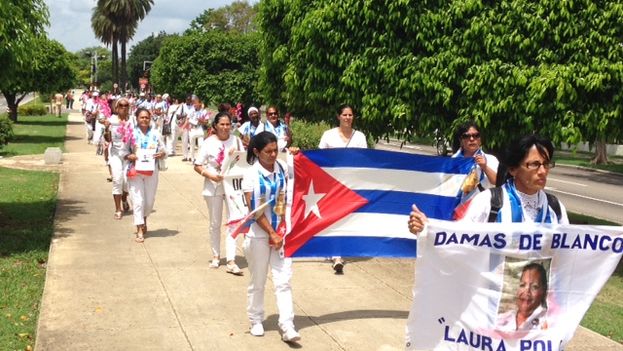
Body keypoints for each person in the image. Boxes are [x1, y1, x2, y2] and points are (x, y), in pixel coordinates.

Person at [409, 134, 569, 233]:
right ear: (513, 169)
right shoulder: (489, 202)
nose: (542, 171)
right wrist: (428, 229)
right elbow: (458, 239)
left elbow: (568, 254)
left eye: (546, 164)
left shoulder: (554, 208)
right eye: (534, 164)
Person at [241, 131, 300, 342]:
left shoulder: (282, 167)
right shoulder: (250, 176)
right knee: (258, 280)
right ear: (256, 152)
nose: (273, 155)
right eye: (268, 152)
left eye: (276, 150)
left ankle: (287, 324)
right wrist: (272, 233)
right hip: (259, 235)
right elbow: (254, 211)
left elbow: (301, 172)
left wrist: (294, 153)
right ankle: (256, 319)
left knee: (284, 280)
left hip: (282, 233)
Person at [318, 104, 368, 274]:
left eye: (350, 115)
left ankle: (340, 248)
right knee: (334, 217)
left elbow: (364, 161)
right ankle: (336, 255)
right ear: (338, 116)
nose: (347, 118)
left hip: (352, 184)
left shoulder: (360, 137)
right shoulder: (328, 135)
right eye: (344, 115)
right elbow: (320, 159)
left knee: (347, 217)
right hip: (332, 184)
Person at [193, 112, 245, 275]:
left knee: (233, 221)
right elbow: (197, 165)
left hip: (231, 186)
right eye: (222, 124)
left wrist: (234, 159)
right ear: (215, 126)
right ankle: (216, 255)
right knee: (215, 223)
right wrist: (209, 175)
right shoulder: (208, 143)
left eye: (228, 124)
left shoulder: (236, 140)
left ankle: (231, 259)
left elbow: (242, 160)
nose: (225, 128)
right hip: (213, 185)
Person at [124, 108, 167, 242]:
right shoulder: (130, 133)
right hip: (135, 171)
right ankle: (139, 229)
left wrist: (161, 154)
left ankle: (144, 219)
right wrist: (128, 155)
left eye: (147, 117)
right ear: (136, 118)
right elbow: (123, 150)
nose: (144, 120)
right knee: (138, 201)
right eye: (141, 117)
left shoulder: (155, 133)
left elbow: (163, 149)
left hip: (151, 170)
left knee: (148, 201)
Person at [451, 121, 499, 204]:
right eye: (466, 136)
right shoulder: (452, 161)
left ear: (480, 139)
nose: (472, 139)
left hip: (482, 209)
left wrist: (485, 167)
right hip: (457, 209)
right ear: (461, 140)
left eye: (476, 135)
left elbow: (498, 182)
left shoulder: (491, 159)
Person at [103, 98, 133, 219]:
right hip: (115, 154)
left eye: (126, 105)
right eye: (121, 105)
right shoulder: (111, 120)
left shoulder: (132, 121)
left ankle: (124, 198)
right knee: (117, 179)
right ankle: (118, 208)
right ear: (116, 108)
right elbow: (108, 139)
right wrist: (106, 128)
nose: (124, 108)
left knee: (126, 182)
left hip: (128, 155)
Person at [496, 263, 549, 331]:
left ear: (543, 292)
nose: (526, 292)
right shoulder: (501, 319)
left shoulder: (549, 321)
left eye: (534, 287)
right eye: (522, 285)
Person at [188, 96, 210, 162]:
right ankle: (192, 158)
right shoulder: (191, 110)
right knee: (192, 145)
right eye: (193, 103)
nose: (194, 104)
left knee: (201, 145)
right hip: (192, 129)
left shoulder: (204, 111)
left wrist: (201, 121)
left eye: (196, 103)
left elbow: (207, 122)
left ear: (200, 103)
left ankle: (200, 159)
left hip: (200, 129)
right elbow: (188, 119)